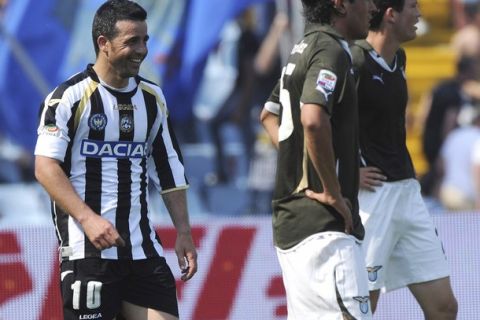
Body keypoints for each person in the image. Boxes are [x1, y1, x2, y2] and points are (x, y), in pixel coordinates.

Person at [34, 1, 197, 319]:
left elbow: (169, 170)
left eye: (145, 40)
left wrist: (184, 231)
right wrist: (88, 218)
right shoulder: (68, 98)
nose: (142, 50)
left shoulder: (152, 99)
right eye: (132, 41)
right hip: (88, 254)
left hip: (142, 251)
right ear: (103, 43)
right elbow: (45, 167)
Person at [260, 0, 376, 318]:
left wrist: (302, 163)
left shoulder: (302, 49)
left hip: (294, 226)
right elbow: (312, 119)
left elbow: (269, 116)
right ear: (340, 4)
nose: (372, 6)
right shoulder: (331, 50)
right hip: (324, 229)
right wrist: (331, 190)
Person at [349, 0, 458, 318]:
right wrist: (348, 172)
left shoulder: (401, 58)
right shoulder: (354, 60)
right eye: (413, 5)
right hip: (372, 197)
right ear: (390, 14)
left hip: (408, 193)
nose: (420, 13)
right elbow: (313, 122)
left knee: (444, 306)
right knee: (362, 309)